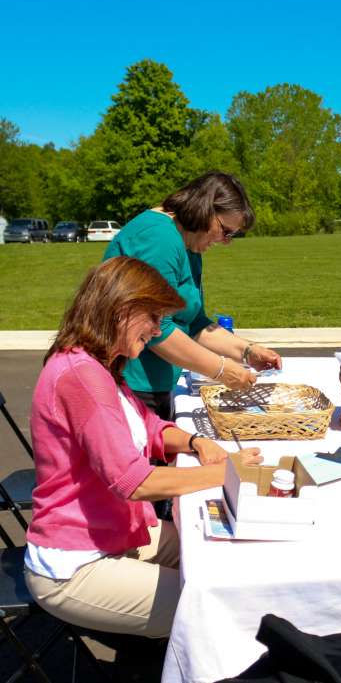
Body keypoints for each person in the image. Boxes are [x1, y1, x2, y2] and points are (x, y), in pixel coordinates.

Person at [24, 256, 263, 637]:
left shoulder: (97, 364)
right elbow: (132, 482)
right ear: (121, 311)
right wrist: (227, 472)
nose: (156, 331)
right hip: (75, 563)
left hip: (115, 530)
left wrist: (194, 442)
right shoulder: (82, 376)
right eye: (152, 318)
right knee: (220, 609)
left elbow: (147, 425)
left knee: (226, 558)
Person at [104, 170, 282, 420]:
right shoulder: (159, 238)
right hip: (129, 385)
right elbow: (157, 328)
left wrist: (247, 351)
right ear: (205, 211)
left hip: (155, 386)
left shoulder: (189, 243)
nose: (226, 241)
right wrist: (220, 370)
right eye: (226, 231)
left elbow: (195, 323)